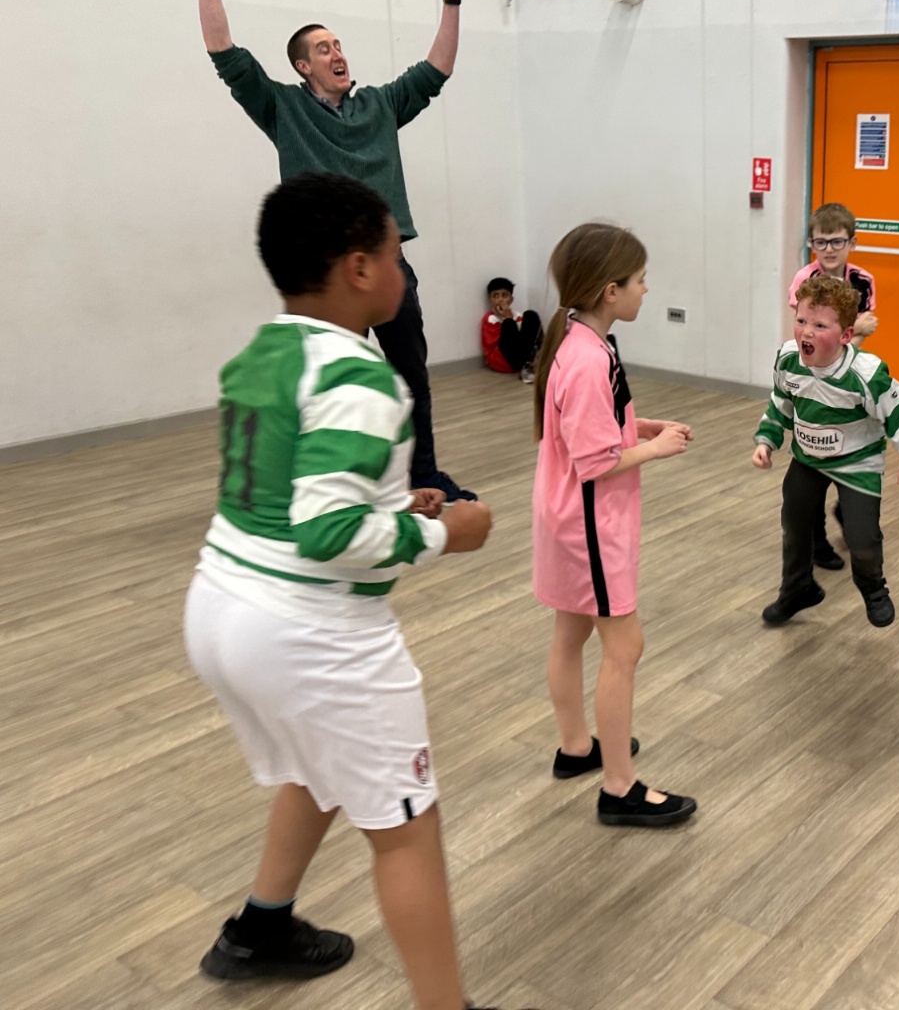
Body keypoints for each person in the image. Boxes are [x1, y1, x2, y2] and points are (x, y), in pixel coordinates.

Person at [184, 173, 511, 1010]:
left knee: (315, 765)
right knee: (406, 830)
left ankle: (260, 928)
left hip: (220, 603)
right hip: (310, 632)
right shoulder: (362, 378)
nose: (405, 270)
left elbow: (293, 487)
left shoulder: (264, 351)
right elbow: (326, 532)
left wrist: (393, 504)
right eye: (397, 254)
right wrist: (446, 532)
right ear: (359, 268)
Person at [192, 0, 475, 503]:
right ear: (303, 66)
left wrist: (451, 1)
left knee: (410, 376)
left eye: (338, 44)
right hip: (325, 275)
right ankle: (327, 484)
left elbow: (436, 71)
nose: (337, 53)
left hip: (388, 266)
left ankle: (422, 474)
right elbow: (224, 54)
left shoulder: (380, 105)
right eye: (323, 49)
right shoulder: (282, 108)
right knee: (330, 383)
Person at [531, 223, 698, 827]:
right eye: (640, 280)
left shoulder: (585, 340)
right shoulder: (584, 359)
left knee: (570, 631)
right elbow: (595, 461)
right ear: (610, 291)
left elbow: (592, 427)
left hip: (568, 517)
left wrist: (639, 427)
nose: (646, 290)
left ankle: (577, 747)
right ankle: (619, 788)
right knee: (625, 646)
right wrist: (654, 449)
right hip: (588, 529)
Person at [752, 274, 899, 629]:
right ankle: (797, 589)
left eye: (820, 325)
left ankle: (873, 588)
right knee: (794, 525)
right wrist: (767, 439)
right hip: (807, 459)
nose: (806, 332)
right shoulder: (788, 359)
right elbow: (781, 402)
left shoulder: (864, 374)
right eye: (801, 320)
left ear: (846, 335)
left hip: (857, 463)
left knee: (862, 537)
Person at [788, 203, 880, 572]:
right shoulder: (804, 280)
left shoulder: (863, 280)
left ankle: (849, 508)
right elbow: (811, 336)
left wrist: (848, 341)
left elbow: (860, 334)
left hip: (850, 378)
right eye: (821, 242)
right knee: (811, 464)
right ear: (811, 243)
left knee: (855, 450)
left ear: (851, 243)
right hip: (812, 379)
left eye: (837, 241)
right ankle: (816, 541)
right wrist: (853, 332)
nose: (829, 249)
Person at [482, 277, 543, 380]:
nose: (500, 300)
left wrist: (510, 319)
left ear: (511, 299)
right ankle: (526, 366)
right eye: (495, 296)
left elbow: (524, 340)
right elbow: (499, 344)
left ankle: (528, 364)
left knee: (530, 315)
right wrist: (507, 319)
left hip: (520, 356)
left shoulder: (518, 315)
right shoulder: (490, 319)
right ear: (490, 300)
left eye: (504, 295)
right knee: (508, 326)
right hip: (501, 360)